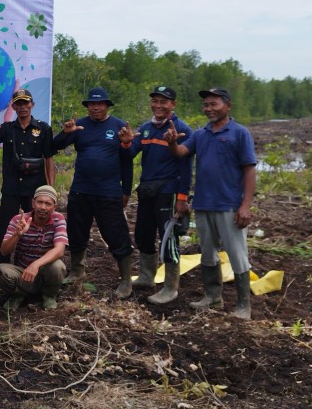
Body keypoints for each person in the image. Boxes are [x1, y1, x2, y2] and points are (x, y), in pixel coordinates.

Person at [164, 87, 257, 319]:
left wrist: (245, 205)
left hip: (229, 205)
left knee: (237, 254)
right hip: (204, 204)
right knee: (207, 253)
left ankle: (244, 305)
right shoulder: (201, 134)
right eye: (206, 105)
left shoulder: (239, 133)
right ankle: (213, 297)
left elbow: (249, 170)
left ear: (227, 105)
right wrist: (172, 144)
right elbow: (182, 152)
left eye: (214, 104)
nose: (209, 109)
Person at [53, 87, 134, 298]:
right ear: (87, 106)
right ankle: (77, 271)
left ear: (107, 105)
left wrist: (126, 190)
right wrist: (65, 133)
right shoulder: (80, 125)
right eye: (91, 104)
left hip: (108, 191)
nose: (95, 107)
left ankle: (125, 279)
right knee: (77, 231)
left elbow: (128, 162)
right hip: (81, 189)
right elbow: (54, 147)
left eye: (100, 104)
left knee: (116, 233)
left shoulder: (119, 126)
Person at [118, 86, 193, 304]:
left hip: (168, 192)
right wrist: (125, 141)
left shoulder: (182, 130)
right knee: (143, 234)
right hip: (147, 190)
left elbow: (187, 167)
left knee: (168, 238)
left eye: (164, 102)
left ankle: (171, 287)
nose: (158, 106)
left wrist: (182, 198)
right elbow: (131, 153)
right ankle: (146, 276)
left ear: (173, 105)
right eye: (155, 101)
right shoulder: (147, 128)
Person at [0, 88, 55, 264]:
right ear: (13, 107)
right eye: (19, 103)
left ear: (32, 105)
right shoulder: (6, 129)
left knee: (38, 227)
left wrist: (50, 190)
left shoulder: (43, 129)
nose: (23, 107)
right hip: (12, 189)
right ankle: (2, 268)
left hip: (35, 189)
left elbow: (49, 159)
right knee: (6, 228)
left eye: (26, 103)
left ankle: (37, 264)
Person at [0, 185, 68, 311]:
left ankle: (48, 295)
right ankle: (18, 295)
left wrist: (35, 265)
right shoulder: (19, 220)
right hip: (22, 273)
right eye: (39, 202)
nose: (43, 207)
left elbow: (60, 249)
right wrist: (17, 235)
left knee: (58, 266)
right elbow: (4, 251)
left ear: (54, 207)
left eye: (48, 204)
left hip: (44, 273)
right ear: (33, 203)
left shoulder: (58, 219)